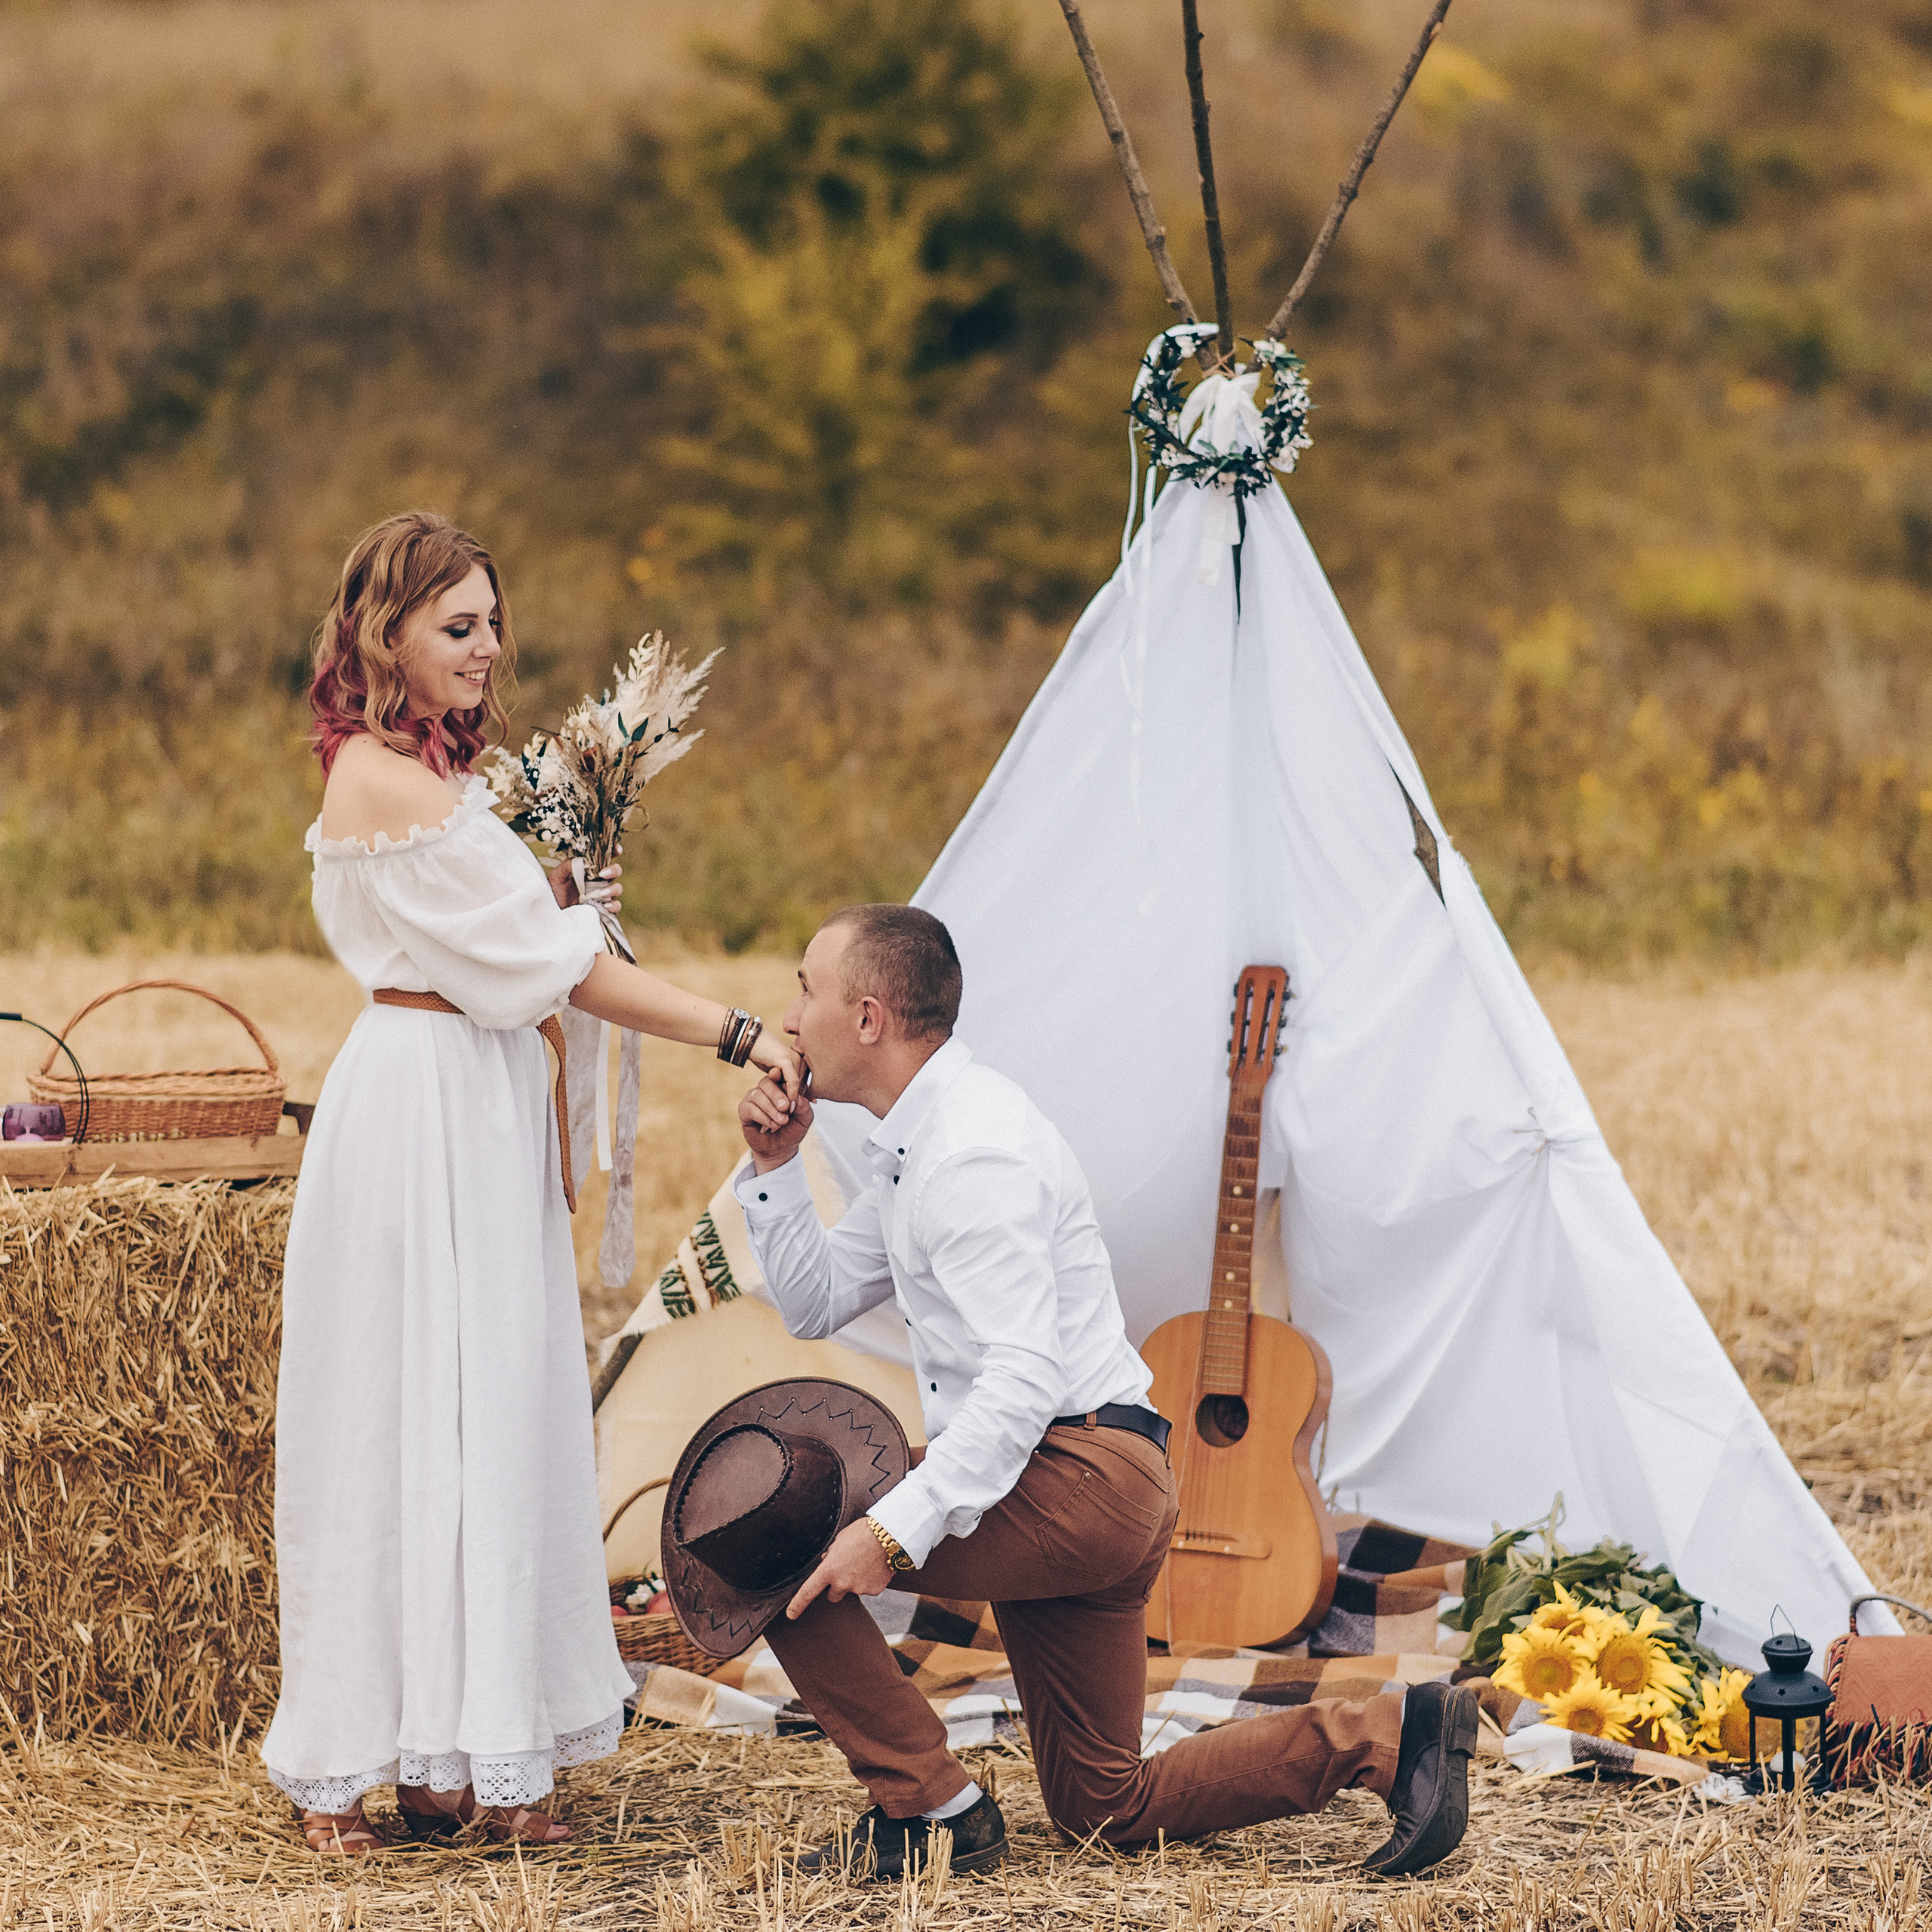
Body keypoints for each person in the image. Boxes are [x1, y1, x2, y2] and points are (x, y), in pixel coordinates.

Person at [262, 510, 801, 1855]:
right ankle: (362, 1765)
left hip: (482, 1100)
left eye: (495, 623)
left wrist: (567, 883)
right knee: (401, 1413)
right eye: (458, 626)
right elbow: (557, 966)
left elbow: (530, 938)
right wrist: (734, 1028)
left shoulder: (450, 782)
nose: (488, 649)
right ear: (382, 635)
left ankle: (462, 1760)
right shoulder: (381, 781)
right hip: (420, 1110)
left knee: (492, 1413)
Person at [734, 904, 1476, 1879]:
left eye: (805, 990)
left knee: (768, 1539)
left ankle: (933, 1811)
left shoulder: (971, 1156)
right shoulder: (923, 1147)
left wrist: (885, 1532)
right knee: (1103, 1806)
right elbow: (817, 1301)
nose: (788, 1020)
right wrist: (777, 1168)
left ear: (868, 1018)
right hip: (1090, 1479)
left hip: (1073, 1477)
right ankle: (1386, 1734)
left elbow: (1023, 1378)